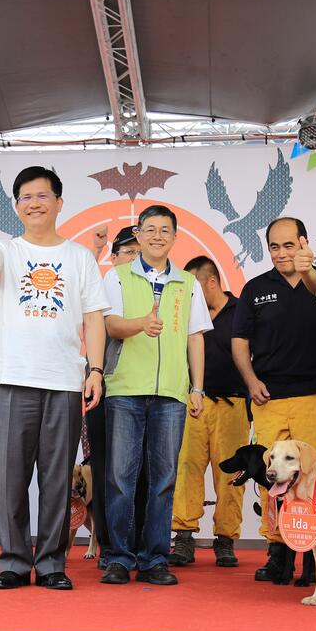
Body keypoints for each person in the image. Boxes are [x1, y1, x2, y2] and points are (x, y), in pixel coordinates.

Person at [0, 166, 107, 591]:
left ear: (59, 203)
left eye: (43, 195)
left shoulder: (79, 257)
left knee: (56, 478)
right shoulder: (4, 251)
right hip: (11, 379)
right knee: (11, 476)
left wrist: (95, 369)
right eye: (26, 197)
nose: (35, 203)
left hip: (64, 381)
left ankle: (50, 563)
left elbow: (94, 318)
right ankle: (12, 561)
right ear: (16, 206)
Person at [100, 204, 210, 586]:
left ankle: (154, 559)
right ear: (139, 235)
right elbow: (110, 325)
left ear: (175, 237)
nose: (158, 236)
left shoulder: (188, 283)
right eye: (150, 230)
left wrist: (197, 387)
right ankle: (117, 557)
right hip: (125, 390)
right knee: (120, 478)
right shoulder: (116, 277)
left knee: (163, 480)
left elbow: (195, 338)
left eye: (165, 230)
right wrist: (140, 324)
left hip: (172, 395)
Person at [230, 218, 316, 584]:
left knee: (311, 475)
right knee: (270, 476)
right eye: (274, 246)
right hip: (269, 396)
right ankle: (277, 551)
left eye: (289, 245)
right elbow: (240, 340)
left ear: (304, 243)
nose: (281, 253)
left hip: (315, 393)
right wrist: (250, 380)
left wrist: (310, 274)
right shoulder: (256, 288)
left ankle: (312, 555)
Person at [169, 255, 249, 569]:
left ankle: (226, 540)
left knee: (230, 473)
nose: (189, 293)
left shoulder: (241, 310)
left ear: (211, 282)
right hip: (192, 402)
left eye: (194, 286)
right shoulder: (185, 314)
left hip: (233, 403)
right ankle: (184, 536)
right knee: (186, 470)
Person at [84, 226, 144, 563]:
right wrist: (92, 252)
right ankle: (110, 544)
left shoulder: (160, 287)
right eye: (129, 252)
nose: (135, 258)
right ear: (115, 256)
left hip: (147, 391)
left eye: (140, 252)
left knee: (143, 470)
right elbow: (77, 287)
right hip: (104, 388)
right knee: (107, 467)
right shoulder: (103, 286)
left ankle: (141, 542)